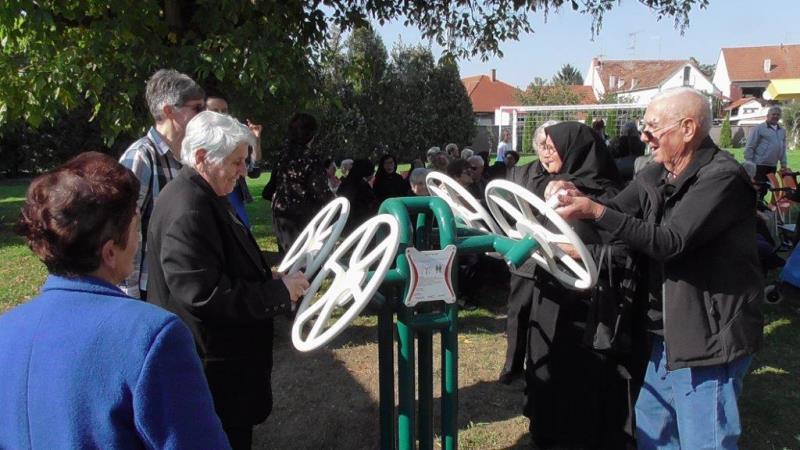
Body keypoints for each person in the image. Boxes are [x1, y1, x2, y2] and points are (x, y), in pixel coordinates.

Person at [553, 88, 763, 449]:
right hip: (669, 331)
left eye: (652, 127)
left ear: (687, 128)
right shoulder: (657, 173)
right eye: (642, 126)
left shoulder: (723, 178)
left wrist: (595, 211)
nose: (643, 136)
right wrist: (573, 199)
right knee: (654, 424)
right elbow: (616, 212)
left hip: (709, 335)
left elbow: (671, 241)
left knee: (704, 438)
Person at [0, 152, 230, 449]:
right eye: (135, 230)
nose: (138, 240)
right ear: (110, 252)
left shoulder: (7, 330)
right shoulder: (153, 335)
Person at [146, 112, 309, 450]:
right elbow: (204, 295)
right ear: (202, 157)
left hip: (220, 371)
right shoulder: (189, 209)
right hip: (211, 375)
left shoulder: (202, 195)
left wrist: (269, 277)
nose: (243, 171)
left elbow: (217, 263)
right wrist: (277, 293)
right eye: (236, 162)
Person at [119, 69, 205, 299]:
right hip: (150, 290)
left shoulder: (190, 157)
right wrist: (130, 295)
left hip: (183, 283)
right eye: (197, 108)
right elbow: (124, 229)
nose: (204, 116)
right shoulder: (141, 157)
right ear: (169, 111)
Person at [498, 119, 557, 385]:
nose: (548, 152)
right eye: (543, 145)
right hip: (526, 254)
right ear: (535, 146)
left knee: (547, 315)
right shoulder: (519, 174)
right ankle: (512, 365)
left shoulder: (570, 175)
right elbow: (505, 210)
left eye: (553, 146)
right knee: (518, 311)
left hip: (557, 257)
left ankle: (542, 367)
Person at [263, 113, 334, 253]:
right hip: (303, 218)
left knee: (288, 259)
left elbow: (273, 185)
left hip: (281, 214)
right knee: (306, 260)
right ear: (312, 135)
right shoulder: (310, 158)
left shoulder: (283, 155)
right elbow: (320, 191)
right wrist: (337, 202)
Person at [205, 91, 263, 228]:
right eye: (215, 111)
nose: (221, 115)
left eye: (224, 111)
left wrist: (255, 140)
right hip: (211, 201)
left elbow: (254, 171)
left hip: (235, 198)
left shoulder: (235, 140)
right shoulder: (196, 143)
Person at [745, 106, 788, 195]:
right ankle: (754, 204)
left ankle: (760, 203)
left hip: (773, 165)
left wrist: (783, 164)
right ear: (767, 115)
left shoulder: (782, 130)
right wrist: (749, 162)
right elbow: (750, 146)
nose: (775, 116)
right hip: (759, 165)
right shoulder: (759, 128)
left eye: (778, 115)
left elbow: (782, 148)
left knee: (766, 189)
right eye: (773, 114)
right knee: (757, 189)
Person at [338, 158, 378, 233]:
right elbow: (371, 204)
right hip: (360, 225)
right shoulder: (361, 184)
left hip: (344, 224)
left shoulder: (346, 182)